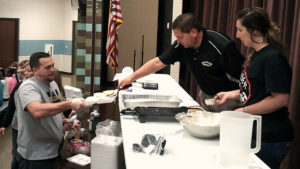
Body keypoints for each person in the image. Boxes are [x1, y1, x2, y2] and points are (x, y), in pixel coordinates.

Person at [214, 7, 294, 169]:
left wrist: (242, 112)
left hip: (270, 136)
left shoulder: (272, 58)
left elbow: (279, 99)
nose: (237, 35)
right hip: (256, 133)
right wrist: (230, 95)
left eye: (240, 30)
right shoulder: (257, 55)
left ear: (255, 31)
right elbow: (254, 89)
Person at [118, 13, 245, 112]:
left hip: (229, 100)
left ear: (194, 32)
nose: (177, 41)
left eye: (180, 37)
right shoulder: (182, 46)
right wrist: (132, 77)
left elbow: (245, 79)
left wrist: (234, 98)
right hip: (207, 96)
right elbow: (158, 62)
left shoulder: (221, 46)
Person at [14, 52, 88, 169]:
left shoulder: (52, 83)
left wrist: (63, 120)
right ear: (35, 70)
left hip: (52, 151)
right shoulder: (28, 87)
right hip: (35, 156)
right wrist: (70, 103)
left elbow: (55, 107)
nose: (53, 69)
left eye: (53, 65)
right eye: (48, 67)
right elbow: (37, 111)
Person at [0, 62, 33, 169]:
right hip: (18, 126)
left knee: (28, 156)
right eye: (25, 71)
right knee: (16, 155)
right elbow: (11, 107)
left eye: (29, 71)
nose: (25, 73)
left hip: (32, 128)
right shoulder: (19, 86)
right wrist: (4, 124)